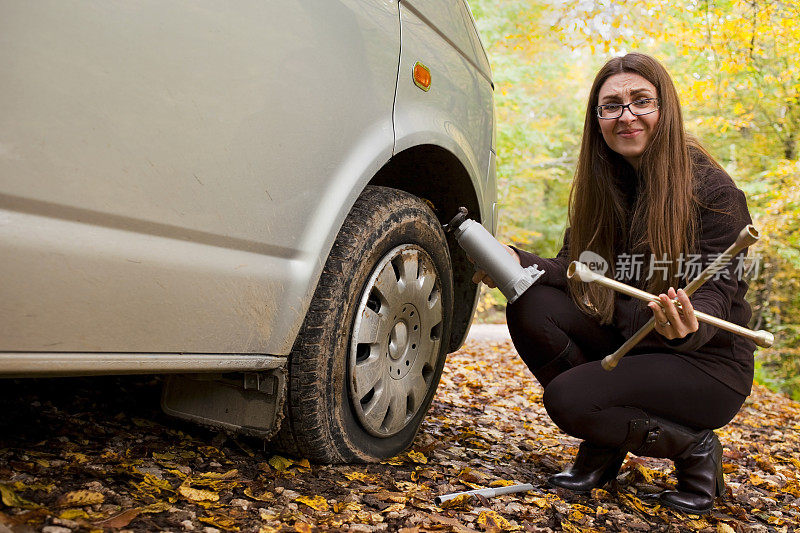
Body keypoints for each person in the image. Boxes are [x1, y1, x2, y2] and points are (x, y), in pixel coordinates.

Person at [473, 53, 756, 515]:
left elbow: (718, 289)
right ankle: (606, 436)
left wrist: (686, 323)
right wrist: (514, 260)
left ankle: (693, 448)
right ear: (597, 118)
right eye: (611, 106)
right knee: (530, 303)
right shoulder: (603, 186)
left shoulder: (713, 189)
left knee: (567, 400)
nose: (626, 115)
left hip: (705, 365)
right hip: (635, 342)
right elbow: (575, 269)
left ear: (665, 108)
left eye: (640, 101)